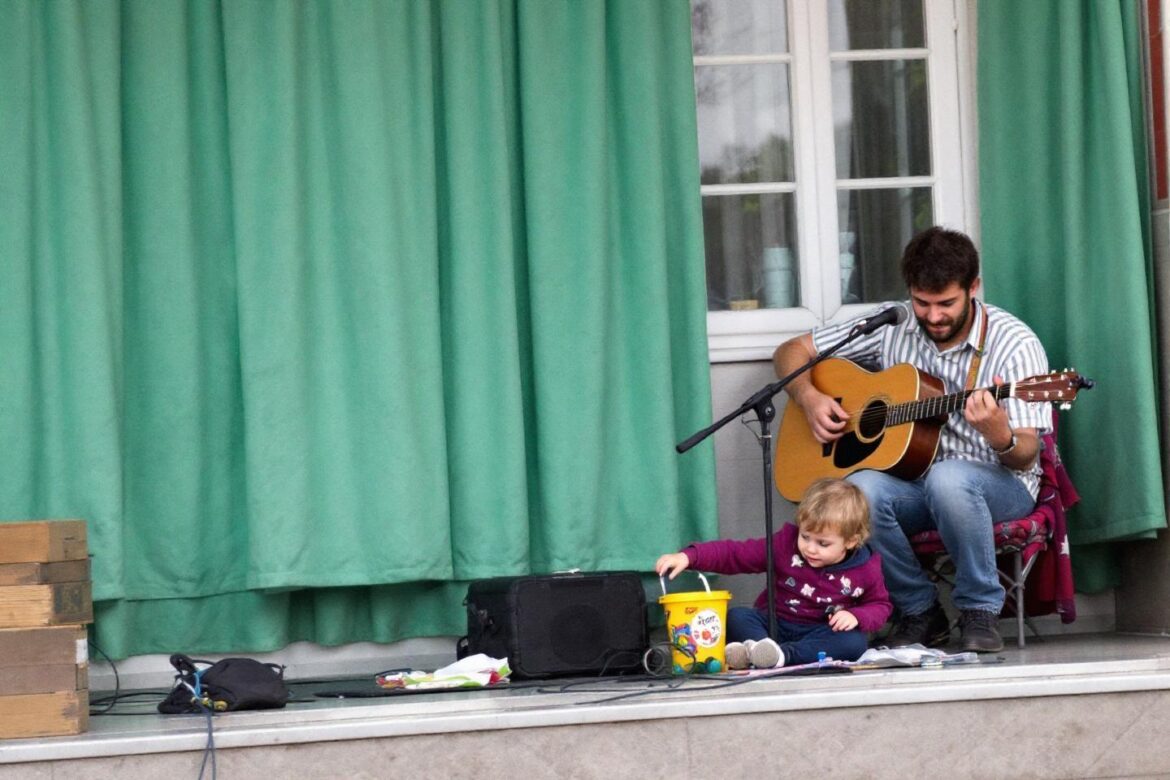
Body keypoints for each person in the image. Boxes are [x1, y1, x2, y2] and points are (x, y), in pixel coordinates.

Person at [772, 226, 1051, 653]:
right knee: (861, 490)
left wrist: (1000, 436)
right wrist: (808, 397)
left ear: (973, 287)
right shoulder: (892, 324)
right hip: (916, 482)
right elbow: (791, 351)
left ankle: (980, 609)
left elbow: (1026, 454)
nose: (933, 316)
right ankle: (920, 609)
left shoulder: (1014, 344)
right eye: (922, 303)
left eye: (947, 304)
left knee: (951, 479)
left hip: (1000, 484)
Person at [656, 478, 892, 669]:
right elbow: (736, 554)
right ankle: (758, 649)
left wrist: (858, 616)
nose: (810, 548)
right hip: (773, 624)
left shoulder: (865, 569)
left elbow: (880, 605)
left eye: (823, 543)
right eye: (805, 537)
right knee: (736, 616)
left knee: (854, 642)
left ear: (851, 541)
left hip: (820, 633)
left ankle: (778, 656)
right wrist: (689, 556)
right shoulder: (784, 545)